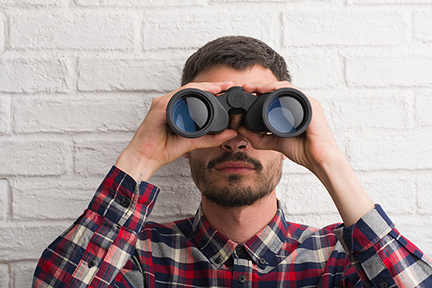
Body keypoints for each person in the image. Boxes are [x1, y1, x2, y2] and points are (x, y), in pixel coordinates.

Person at [33, 36, 432, 287]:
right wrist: (139, 157)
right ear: (183, 134)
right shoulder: (134, 257)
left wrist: (329, 161)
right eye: (209, 120)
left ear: (289, 128)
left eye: (263, 117)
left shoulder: (339, 261)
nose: (237, 141)